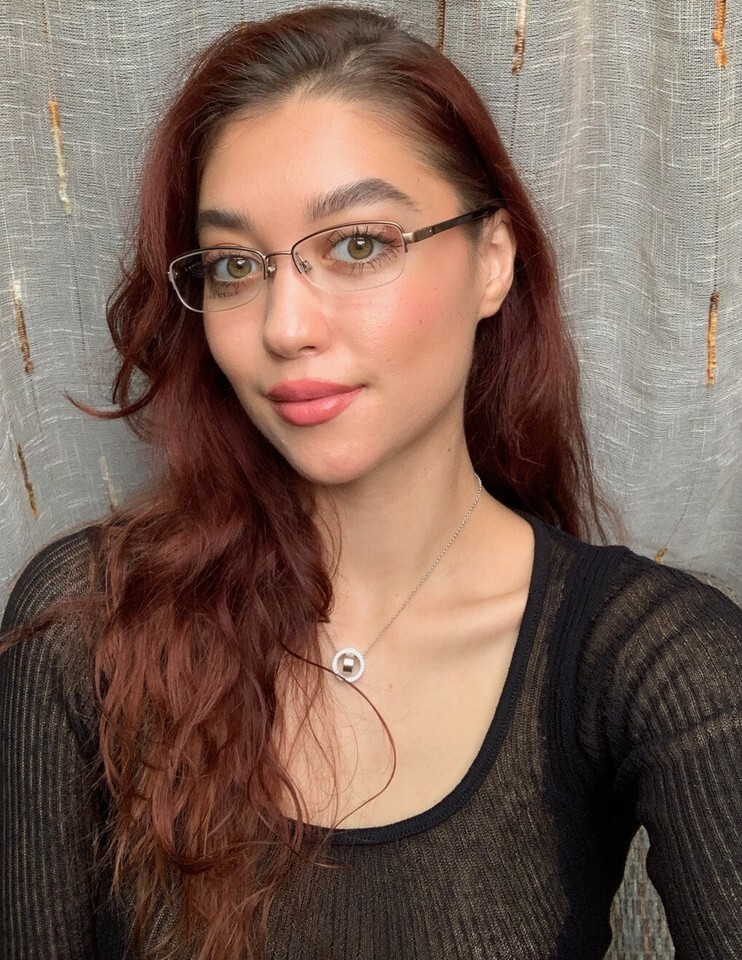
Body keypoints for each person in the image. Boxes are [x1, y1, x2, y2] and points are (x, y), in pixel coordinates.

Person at [1, 5, 740, 959]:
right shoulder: (87, 625)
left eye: (357, 245)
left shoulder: (653, 664)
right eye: (234, 265)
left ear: (493, 261)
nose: (284, 327)